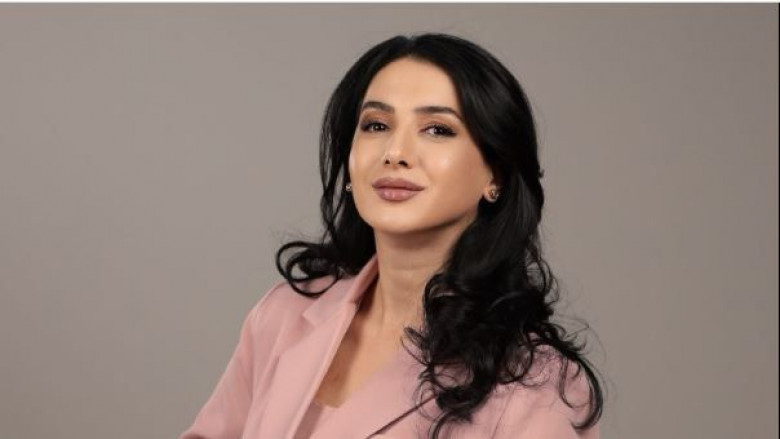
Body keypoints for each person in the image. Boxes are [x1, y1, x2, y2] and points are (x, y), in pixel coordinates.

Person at [180, 32, 604, 439]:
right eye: (376, 125)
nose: (395, 153)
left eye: (437, 129)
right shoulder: (282, 316)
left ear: (495, 174)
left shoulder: (534, 385)